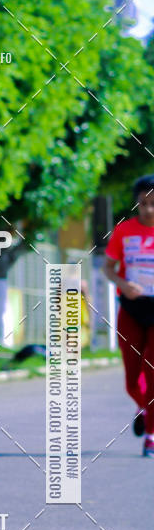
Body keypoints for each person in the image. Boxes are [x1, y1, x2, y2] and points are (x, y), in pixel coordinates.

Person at [104, 174, 154, 456]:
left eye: (153, 203)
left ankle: (151, 435)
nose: (148, 209)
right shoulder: (124, 231)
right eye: (143, 203)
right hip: (131, 309)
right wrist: (124, 284)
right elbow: (108, 268)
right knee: (132, 381)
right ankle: (145, 408)